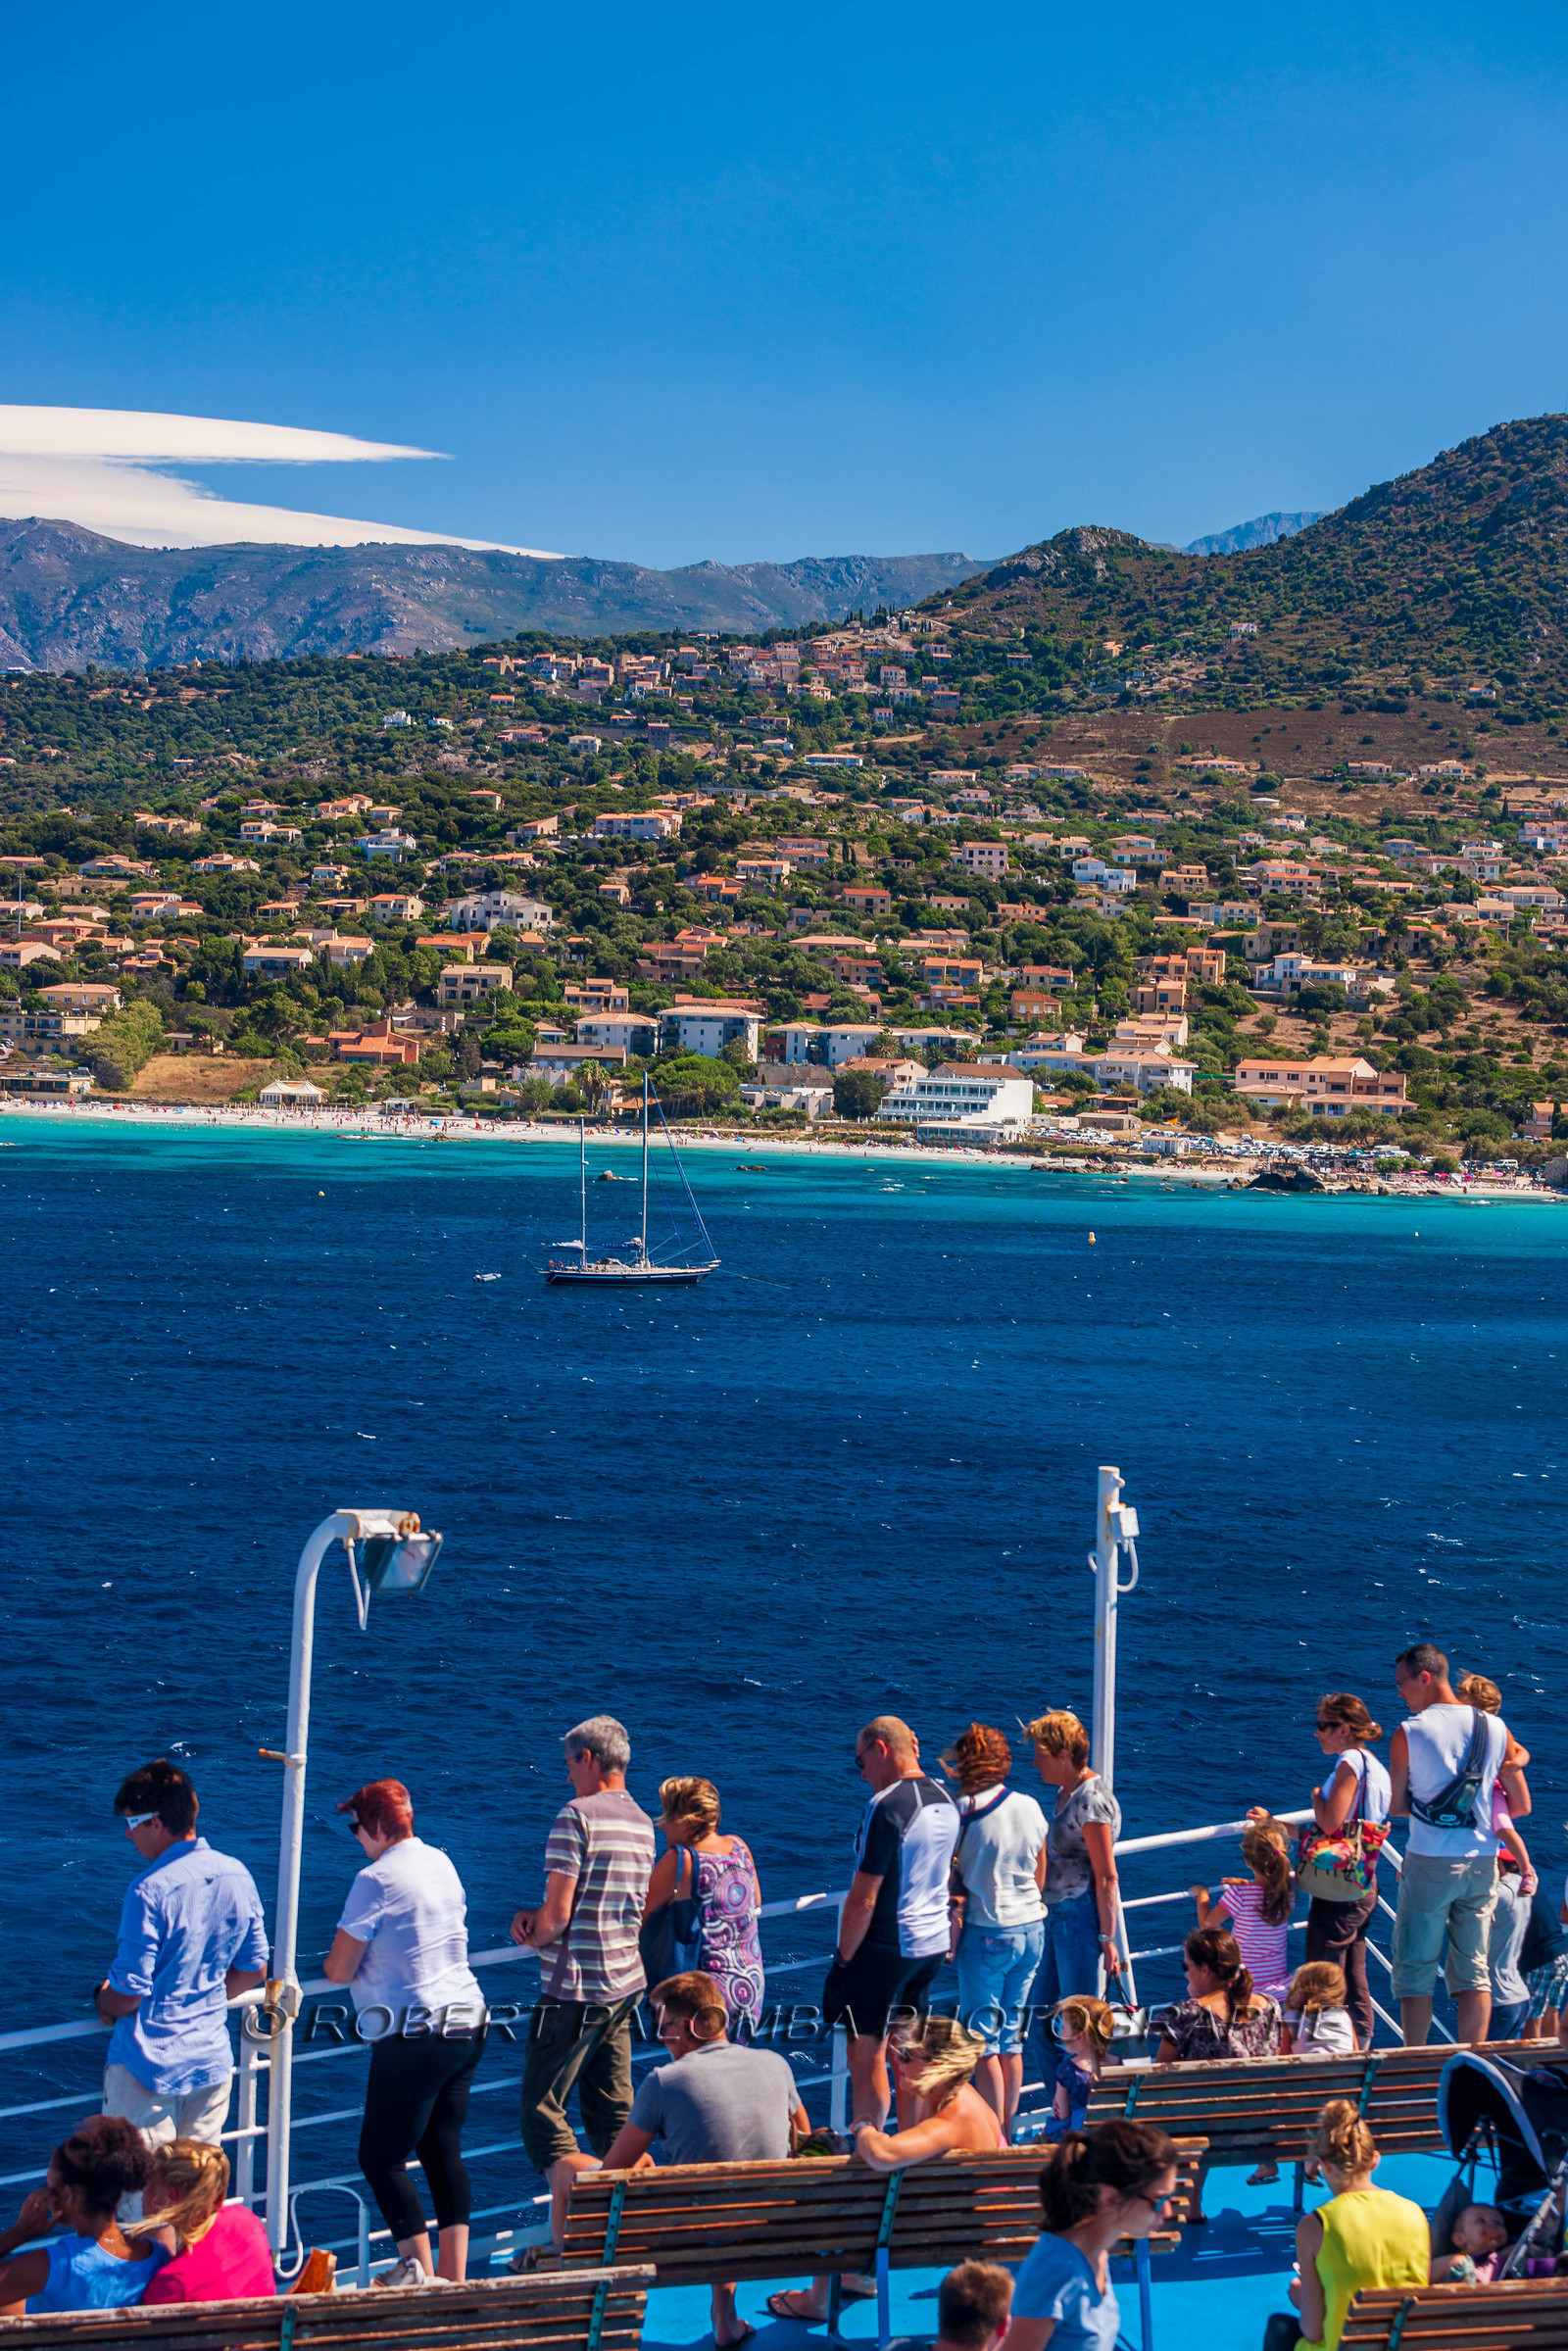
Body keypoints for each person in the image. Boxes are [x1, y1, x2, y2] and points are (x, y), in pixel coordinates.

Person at [589, 1971, 808, 2349]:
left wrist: (640, 2164)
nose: (659, 2036)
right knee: (731, 2186)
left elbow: (611, 2172)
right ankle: (726, 2319)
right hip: (782, 2230)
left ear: (690, 2025)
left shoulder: (664, 2082)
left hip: (691, 2241)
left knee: (578, 2170)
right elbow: (807, 2143)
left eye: (664, 2025)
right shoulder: (775, 2064)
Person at [323, 1778, 486, 2284]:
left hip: (416, 2031)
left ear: (374, 1826)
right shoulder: (440, 1860)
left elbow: (337, 1970)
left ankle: (417, 2275)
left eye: (355, 1826)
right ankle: (453, 2281)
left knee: (380, 2157)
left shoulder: (374, 1879)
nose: (355, 1836)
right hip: (468, 2019)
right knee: (441, 2148)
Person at [511, 1716, 656, 2261]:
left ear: (590, 1760)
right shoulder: (643, 1822)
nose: (567, 1774)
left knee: (541, 2114)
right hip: (624, 1983)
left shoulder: (575, 1818)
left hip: (574, 1989)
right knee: (613, 2113)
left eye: (570, 1762)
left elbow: (556, 1916)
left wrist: (529, 1926)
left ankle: (579, 2214)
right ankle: (645, 2214)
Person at [767, 2015, 1001, 2326]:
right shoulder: (966, 2098)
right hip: (975, 2218)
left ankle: (819, 2300)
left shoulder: (954, 2116)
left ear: (938, 2065)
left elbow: (881, 2154)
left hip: (952, 2232)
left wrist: (865, 2127)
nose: (898, 2062)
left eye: (907, 2056)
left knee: (834, 2195)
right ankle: (856, 2280)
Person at [96, 1759, 269, 2151]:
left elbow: (127, 1995)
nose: (128, 1835)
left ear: (156, 1823)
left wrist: (101, 1998)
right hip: (210, 2062)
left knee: (138, 2195)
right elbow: (255, 1967)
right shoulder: (237, 1873)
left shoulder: (149, 1890)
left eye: (131, 1823)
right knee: (196, 2195)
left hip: (149, 2069)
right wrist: (200, 2001)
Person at [822, 1716, 958, 2135]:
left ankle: (873, 2151)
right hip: (929, 1947)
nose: (861, 1773)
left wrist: (844, 1961)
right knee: (910, 2057)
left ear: (881, 1750)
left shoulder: (886, 1807)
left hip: (887, 1949)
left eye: (860, 1762)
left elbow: (864, 1898)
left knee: (866, 2058)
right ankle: (912, 2153)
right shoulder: (946, 1798)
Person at [1389, 1643, 1530, 2046]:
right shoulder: (1495, 1727)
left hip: (1429, 1861)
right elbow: (1520, 1804)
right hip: (1483, 1863)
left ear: (1424, 1678)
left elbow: (1398, 1807)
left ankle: (1414, 2060)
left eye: (1403, 1684)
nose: (1400, 1694)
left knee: (1415, 1970)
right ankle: (1475, 2059)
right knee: (1474, 1973)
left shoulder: (1408, 1732)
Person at [942, 1722, 1048, 2141]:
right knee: (1012, 2040)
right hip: (1031, 1929)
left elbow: (952, 1876)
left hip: (988, 1934)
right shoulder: (1029, 1804)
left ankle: (993, 2140)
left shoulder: (961, 1813)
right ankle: (1008, 2131)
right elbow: (1039, 1870)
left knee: (981, 2042)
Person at [1003, 2118, 1180, 2351]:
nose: (1168, 2213)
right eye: (1159, 2201)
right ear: (1110, 2198)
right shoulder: (1057, 2272)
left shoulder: (1097, 2254)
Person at [1263, 2100, 1428, 2351]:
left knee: (1280, 2329)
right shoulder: (1415, 2213)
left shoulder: (1314, 2226)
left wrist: (1301, 2301)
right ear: (1375, 2160)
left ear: (1324, 2164)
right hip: (1401, 2346)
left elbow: (1314, 2331)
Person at [1296, 1694, 1392, 2052]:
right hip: (1363, 1880)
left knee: (1323, 1966)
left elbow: (1330, 1822)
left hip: (1338, 1885)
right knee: (1354, 1965)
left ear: (1344, 1729)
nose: (1317, 1733)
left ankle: (1328, 2049)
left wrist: (1317, 1796)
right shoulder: (1375, 1767)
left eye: (1323, 1726)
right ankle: (1361, 2041)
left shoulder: (1350, 1763)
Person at [0, 2117, 168, 2315]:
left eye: (51, 2187)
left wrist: (20, 2233)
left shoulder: (58, 2264)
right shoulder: (157, 2255)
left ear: (69, 2195)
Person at [645, 1777, 764, 2033]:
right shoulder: (739, 1846)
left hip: (706, 1992)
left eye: (667, 1814)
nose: (662, 1825)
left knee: (699, 2068)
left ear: (684, 1819)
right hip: (748, 1986)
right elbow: (754, 1902)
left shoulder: (681, 1860)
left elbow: (639, 1915)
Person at [1027, 1711, 1123, 2006]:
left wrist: (1108, 1940)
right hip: (1056, 1912)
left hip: (1076, 1915)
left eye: (1041, 1754)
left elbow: (1107, 1875)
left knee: (1076, 2013)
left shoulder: (1090, 1801)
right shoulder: (1066, 1792)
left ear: (1064, 1756)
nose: (1034, 1762)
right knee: (1040, 2011)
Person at [141, 2138, 274, 2303]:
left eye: (150, 2182)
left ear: (172, 2195)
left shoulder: (173, 2284)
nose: (143, 2189)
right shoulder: (247, 2221)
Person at [1191, 1817, 1295, 1998]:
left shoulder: (1239, 1895)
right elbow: (1262, 1891)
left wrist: (1203, 1895)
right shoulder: (1287, 1893)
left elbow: (1207, 1924)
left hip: (1245, 1986)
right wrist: (1245, 1885)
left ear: (1247, 1860)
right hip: (1278, 1986)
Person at [1154, 1926, 1285, 2063]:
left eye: (1186, 1967)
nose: (1186, 1974)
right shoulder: (1270, 2006)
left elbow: (1158, 2076)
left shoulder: (1186, 2014)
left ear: (1205, 1970)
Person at [1455, 1676, 1538, 1891]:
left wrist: (1514, 1764)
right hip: (1470, 1791)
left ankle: (1527, 1871)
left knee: (1503, 1827)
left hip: (1492, 1791)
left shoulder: (1496, 1729)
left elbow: (1522, 1752)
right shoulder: (1459, 1729)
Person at [1041, 1997, 1112, 2140]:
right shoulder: (1117, 2063)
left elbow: (1063, 2115)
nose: (1060, 2032)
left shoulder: (1068, 2070)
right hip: (1110, 2135)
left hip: (1080, 2139)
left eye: (1064, 2027)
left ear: (1080, 2036)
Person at [1519, 1838, 1568, 2039]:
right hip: (1559, 1954)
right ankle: (1555, 2057)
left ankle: (1534, 2062)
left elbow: (1565, 1915)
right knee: (1553, 2012)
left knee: (1533, 2016)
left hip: (1547, 1954)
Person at [1487, 1855, 1533, 2042]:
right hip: (1518, 1996)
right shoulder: (1519, 1884)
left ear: (1498, 1863)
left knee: (1486, 2064)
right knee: (1507, 2066)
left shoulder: (1497, 1895)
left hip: (1499, 2000)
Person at [1282, 1963, 1356, 2057]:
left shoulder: (1292, 2017)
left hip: (1306, 2071)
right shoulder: (1343, 2016)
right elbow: (1356, 2053)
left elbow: (1282, 2056)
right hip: (1348, 2070)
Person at [1430, 2201, 1509, 2285]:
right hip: (1463, 2293)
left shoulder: (1506, 2257)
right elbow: (1425, 2274)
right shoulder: (1456, 2262)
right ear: (1460, 2239)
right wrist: (1457, 2262)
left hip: (1499, 2294)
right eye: (1481, 2220)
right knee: (1460, 2261)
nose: (1492, 2224)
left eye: (1498, 2222)